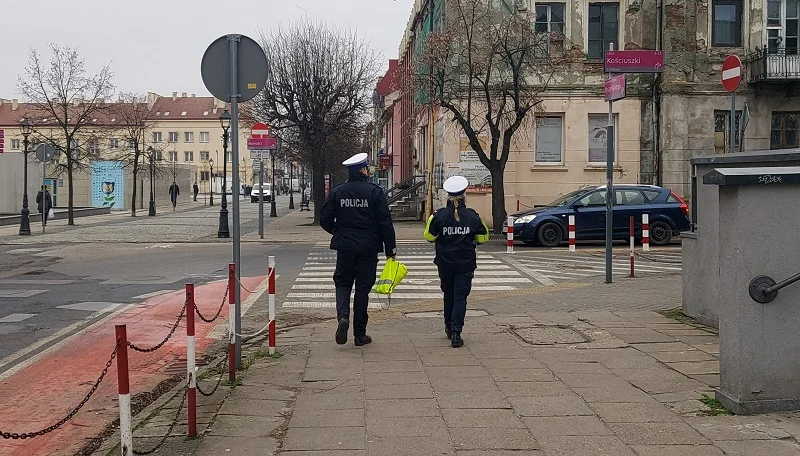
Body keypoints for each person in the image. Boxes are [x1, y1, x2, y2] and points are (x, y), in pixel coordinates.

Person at [321, 152, 397, 346]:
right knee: (363, 289)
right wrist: (390, 249)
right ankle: (359, 334)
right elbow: (385, 222)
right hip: (369, 247)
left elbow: (324, 219)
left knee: (342, 283)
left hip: (345, 246)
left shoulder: (338, 192)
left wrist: (337, 231)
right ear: (363, 170)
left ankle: (343, 317)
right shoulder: (374, 191)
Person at [424, 176, 489, 348]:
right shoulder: (472, 216)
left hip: (445, 263)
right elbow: (483, 237)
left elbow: (429, 237)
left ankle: (447, 325)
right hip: (465, 263)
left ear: (447, 197)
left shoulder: (438, 216)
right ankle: (456, 332)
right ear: (464, 196)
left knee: (448, 295)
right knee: (460, 297)